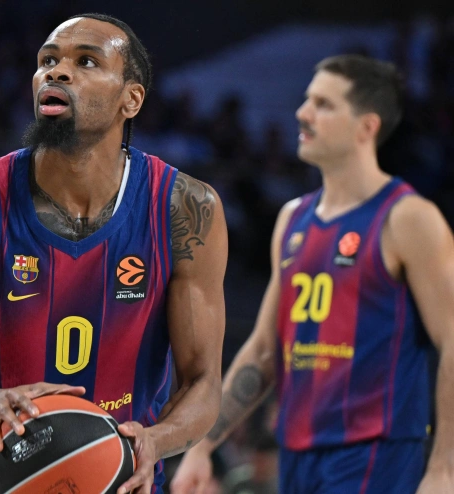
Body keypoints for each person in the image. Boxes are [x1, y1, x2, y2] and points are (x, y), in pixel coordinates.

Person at [0, 13, 228, 494]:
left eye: (86, 61)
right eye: (47, 61)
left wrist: (157, 440)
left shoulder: (186, 209)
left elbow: (202, 383)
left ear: (130, 99)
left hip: (121, 470)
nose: (55, 72)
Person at [171, 55, 454, 494]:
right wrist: (203, 445)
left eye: (324, 104)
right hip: (298, 455)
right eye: (306, 100)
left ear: (367, 127)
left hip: (376, 454)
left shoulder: (408, 218)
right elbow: (265, 350)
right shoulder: (292, 219)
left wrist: (444, 470)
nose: (303, 112)